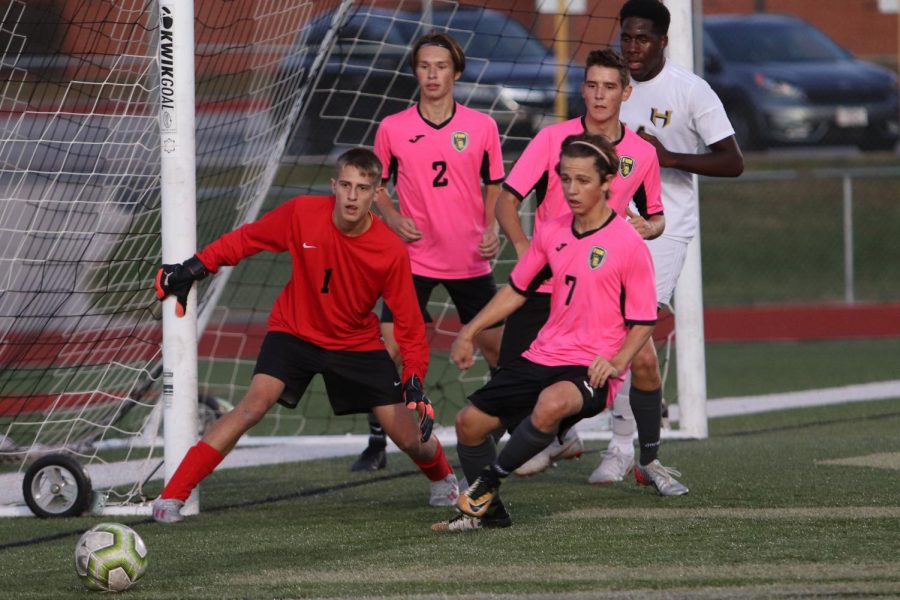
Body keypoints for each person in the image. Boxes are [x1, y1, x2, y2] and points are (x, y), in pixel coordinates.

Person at [151, 148, 458, 523]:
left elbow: (409, 326)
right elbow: (248, 239)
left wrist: (414, 382)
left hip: (356, 344)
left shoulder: (390, 250)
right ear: (333, 185)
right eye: (345, 185)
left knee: (409, 437)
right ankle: (172, 496)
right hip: (294, 331)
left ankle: (443, 478)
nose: (351, 195)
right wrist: (198, 266)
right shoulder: (301, 214)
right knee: (253, 405)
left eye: (362, 188)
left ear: (376, 193)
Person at [431, 133, 657, 532]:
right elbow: (517, 290)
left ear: (607, 183)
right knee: (469, 423)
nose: (571, 189)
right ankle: (492, 514)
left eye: (583, 180)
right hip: (543, 353)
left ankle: (486, 483)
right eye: (565, 179)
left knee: (551, 404)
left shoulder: (628, 244)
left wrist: (617, 360)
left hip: (591, 366)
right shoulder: (551, 231)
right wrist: (470, 330)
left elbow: (643, 320)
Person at [588, 0, 744, 490]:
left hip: (665, 227)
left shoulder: (691, 91)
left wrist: (669, 157)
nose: (631, 48)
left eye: (641, 39)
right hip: (608, 226)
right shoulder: (611, 86)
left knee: (631, 334)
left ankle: (621, 449)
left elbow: (733, 161)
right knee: (604, 332)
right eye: (626, 37)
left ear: (662, 41)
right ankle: (593, 433)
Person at [493, 49, 667, 480]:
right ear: (582, 89)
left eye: (610, 86)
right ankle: (558, 437)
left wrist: (649, 228)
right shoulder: (553, 140)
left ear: (626, 92)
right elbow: (506, 202)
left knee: (639, 359)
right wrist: (523, 248)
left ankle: (642, 455)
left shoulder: (642, 154)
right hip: (548, 285)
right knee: (513, 381)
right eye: (591, 85)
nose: (599, 95)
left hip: (604, 288)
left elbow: (657, 215)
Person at [351, 31, 506, 472]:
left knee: (497, 349)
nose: (432, 74)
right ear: (415, 72)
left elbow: (495, 182)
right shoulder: (393, 128)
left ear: (456, 71)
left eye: (441, 66)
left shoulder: (482, 126)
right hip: (413, 260)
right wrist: (393, 217)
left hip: (468, 258)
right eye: (424, 66)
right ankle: (377, 441)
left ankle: (501, 423)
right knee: (388, 349)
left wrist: (492, 224)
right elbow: (375, 185)